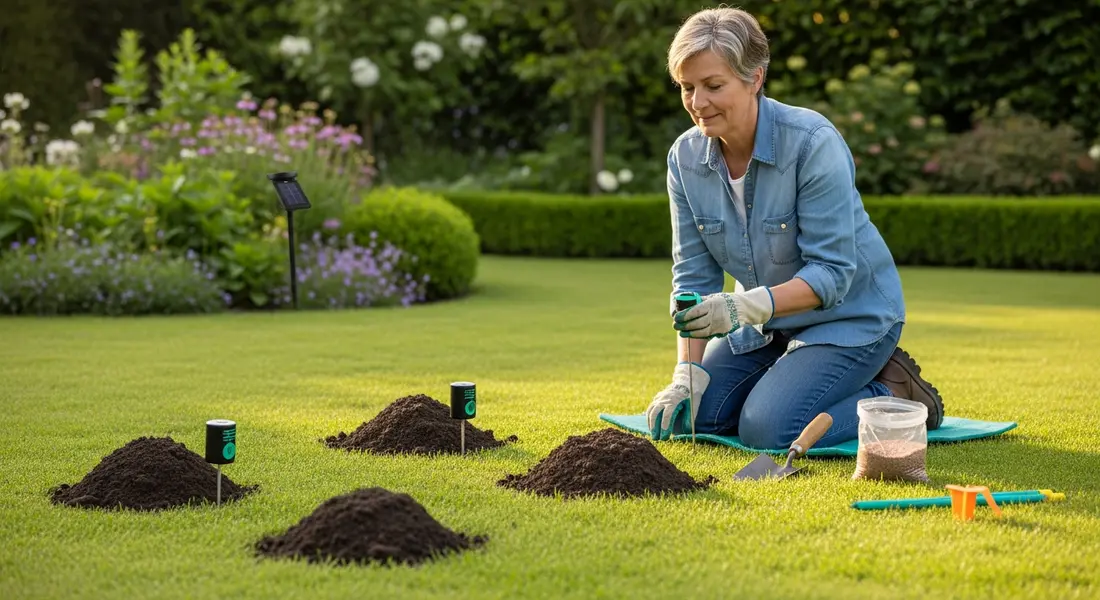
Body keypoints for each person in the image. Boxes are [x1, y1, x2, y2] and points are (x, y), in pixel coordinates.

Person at [644, 7, 944, 449]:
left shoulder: (812, 143)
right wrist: (685, 376)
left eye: (713, 86)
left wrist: (742, 307)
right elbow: (693, 280)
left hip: (851, 320)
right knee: (696, 416)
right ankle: (787, 377)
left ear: (755, 78)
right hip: (766, 325)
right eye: (688, 87)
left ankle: (895, 392)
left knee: (769, 428)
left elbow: (832, 273)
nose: (698, 103)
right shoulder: (685, 158)